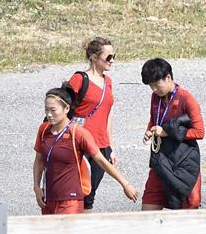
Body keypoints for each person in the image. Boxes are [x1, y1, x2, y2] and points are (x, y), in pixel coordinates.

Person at [33, 88, 137, 215]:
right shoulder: (44, 129)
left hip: (70, 201)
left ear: (66, 109)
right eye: (46, 109)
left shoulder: (78, 133)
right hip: (48, 198)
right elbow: (38, 159)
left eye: (53, 110)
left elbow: (101, 160)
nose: (49, 114)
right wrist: (37, 187)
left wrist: (125, 184)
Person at [140, 58, 205, 210]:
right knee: (148, 206)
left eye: (157, 85)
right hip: (161, 159)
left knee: (189, 206)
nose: (154, 90)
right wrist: (150, 130)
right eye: (151, 86)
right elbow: (154, 118)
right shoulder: (155, 97)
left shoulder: (187, 99)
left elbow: (200, 132)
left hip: (183, 160)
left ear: (168, 77)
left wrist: (167, 133)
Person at [67, 36, 117, 212]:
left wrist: (110, 146)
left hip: (101, 145)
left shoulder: (108, 82)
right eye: (108, 57)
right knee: (73, 192)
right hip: (78, 143)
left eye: (114, 56)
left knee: (90, 194)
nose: (112, 61)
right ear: (94, 57)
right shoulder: (79, 79)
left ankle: (84, 233)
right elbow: (63, 106)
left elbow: (108, 115)